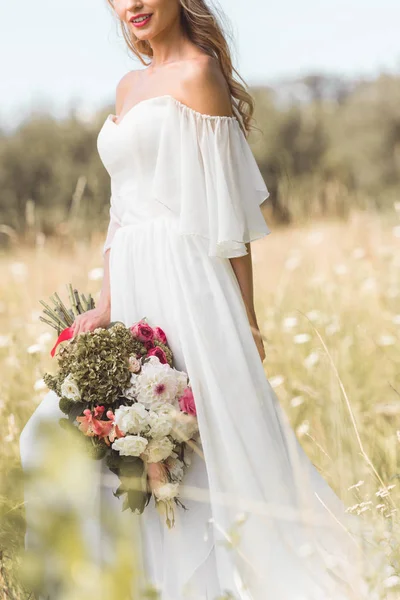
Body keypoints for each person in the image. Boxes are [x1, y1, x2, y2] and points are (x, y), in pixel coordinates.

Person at [20, 1, 380, 599]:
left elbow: (230, 219)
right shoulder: (128, 84)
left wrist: (247, 322)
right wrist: (107, 304)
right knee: (71, 437)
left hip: (189, 283)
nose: (131, 4)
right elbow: (121, 210)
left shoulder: (198, 73)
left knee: (207, 446)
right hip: (133, 288)